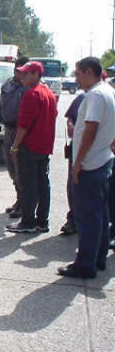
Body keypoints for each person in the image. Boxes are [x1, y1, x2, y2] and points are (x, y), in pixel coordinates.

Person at [57, 58, 115, 278]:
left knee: (87, 217)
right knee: (99, 213)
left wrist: (78, 163)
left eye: (78, 74)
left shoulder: (95, 96)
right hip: (102, 161)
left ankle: (85, 264)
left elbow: (90, 130)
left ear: (89, 72)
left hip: (90, 165)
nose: (76, 79)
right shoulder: (108, 92)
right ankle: (98, 259)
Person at [6, 61, 57, 233]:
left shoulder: (32, 94)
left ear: (36, 74)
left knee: (28, 185)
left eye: (26, 73)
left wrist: (14, 147)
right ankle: (42, 221)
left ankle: (28, 222)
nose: (22, 76)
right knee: (43, 184)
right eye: (21, 73)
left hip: (30, 146)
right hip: (43, 147)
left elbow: (24, 126)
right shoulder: (48, 93)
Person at [0, 56, 29, 218]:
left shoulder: (30, 88)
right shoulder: (7, 85)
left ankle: (24, 204)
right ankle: (18, 199)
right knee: (12, 170)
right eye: (18, 70)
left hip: (22, 132)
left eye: (23, 71)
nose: (20, 74)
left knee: (21, 169)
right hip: (8, 131)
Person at [60, 91, 86, 235]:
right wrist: (71, 125)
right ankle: (74, 220)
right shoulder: (81, 98)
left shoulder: (105, 97)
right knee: (73, 185)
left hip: (98, 153)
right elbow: (70, 117)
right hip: (76, 149)